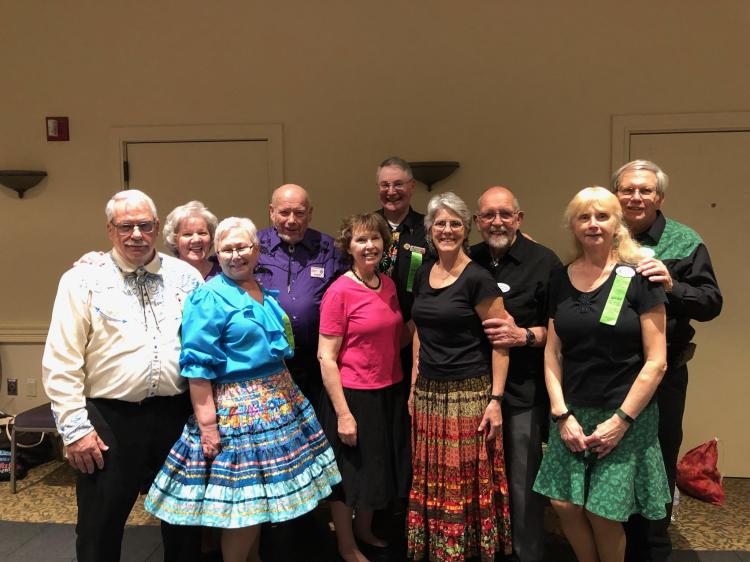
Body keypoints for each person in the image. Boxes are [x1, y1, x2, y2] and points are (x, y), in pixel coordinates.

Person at [144, 217, 341, 562]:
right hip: (238, 414)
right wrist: (208, 428)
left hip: (278, 406)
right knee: (243, 512)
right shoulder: (208, 297)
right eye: (227, 249)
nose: (235, 255)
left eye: (242, 247)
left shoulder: (260, 288)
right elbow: (198, 369)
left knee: (260, 510)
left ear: (257, 250)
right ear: (216, 254)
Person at [42, 189, 204, 562]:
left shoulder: (185, 277)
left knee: (184, 525)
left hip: (176, 416)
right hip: (108, 418)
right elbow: (61, 358)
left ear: (157, 227)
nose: (136, 234)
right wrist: (75, 429)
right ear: (110, 230)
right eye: (125, 226)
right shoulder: (82, 280)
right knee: (101, 524)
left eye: (144, 226)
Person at [533, 187, 672, 562]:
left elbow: (656, 360)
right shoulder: (559, 279)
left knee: (603, 512)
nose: (593, 224)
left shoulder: (641, 277)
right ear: (573, 226)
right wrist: (561, 414)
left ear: (617, 223)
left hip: (624, 412)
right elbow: (552, 352)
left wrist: (622, 420)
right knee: (563, 503)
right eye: (584, 217)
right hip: (573, 411)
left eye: (602, 216)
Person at [609, 160, 723, 562]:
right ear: (616, 195)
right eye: (627, 190)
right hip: (609, 376)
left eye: (645, 191)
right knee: (614, 463)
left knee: (656, 461)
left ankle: (652, 548)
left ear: (659, 197)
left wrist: (673, 284)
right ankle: (615, 546)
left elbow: (711, 303)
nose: (635, 198)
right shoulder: (603, 234)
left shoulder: (684, 241)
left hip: (663, 375)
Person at [407, 191, 512, 562]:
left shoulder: (478, 279)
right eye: (440, 224)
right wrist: (413, 386)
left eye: (455, 223)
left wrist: (496, 401)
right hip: (429, 393)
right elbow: (419, 330)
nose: (447, 230)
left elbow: (501, 344)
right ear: (429, 230)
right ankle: (437, 548)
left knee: (463, 479)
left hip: (469, 394)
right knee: (432, 475)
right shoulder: (422, 273)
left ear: (466, 230)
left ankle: (465, 552)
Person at [471, 186, 562, 562]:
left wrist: (524, 335)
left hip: (525, 391)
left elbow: (558, 332)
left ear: (519, 219)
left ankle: (527, 554)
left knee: (523, 482)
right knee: (476, 479)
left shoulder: (546, 262)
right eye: (489, 215)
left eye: (505, 214)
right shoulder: (466, 259)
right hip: (471, 390)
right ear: (477, 222)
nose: (497, 221)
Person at [317, 212, 410, 562]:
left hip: (389, 390)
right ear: (348, 247)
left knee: (377, 468)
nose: (369, 245)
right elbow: (326, 357)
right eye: (360, 240)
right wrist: (343, 414)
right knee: (350, 476)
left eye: (375, 238)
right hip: (353, 395)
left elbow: (398, 334)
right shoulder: (339, 291)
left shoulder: (387, 284)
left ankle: (365, 530)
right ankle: (345, 544)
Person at [255, 184, 346, 412]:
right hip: (268, 363)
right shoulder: (253, 247)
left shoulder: (329, 249)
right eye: (284, 212)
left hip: (316, 363)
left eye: (299, 213)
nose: (292, 220)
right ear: (271, 212)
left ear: (310, 213)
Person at [163, 200, 221, 280]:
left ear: (211, 237)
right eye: (187, 234)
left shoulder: (225, 275)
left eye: (202, 233)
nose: (196, 239)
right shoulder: (166, 277)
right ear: (174, 240)